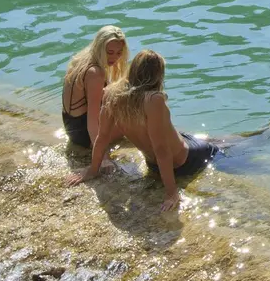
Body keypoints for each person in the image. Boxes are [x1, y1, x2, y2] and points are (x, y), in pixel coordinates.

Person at [68, 50, 218, 213]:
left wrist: (93, 169)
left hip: (154, 163)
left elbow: (102, 137)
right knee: (219, 147)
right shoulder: (154, 100)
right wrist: (171, 192)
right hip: (184, 162)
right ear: (158, 75)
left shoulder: (112, 93)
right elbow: (161, 149)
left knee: (204, 138)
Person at [61, 25, 128, 149]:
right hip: (85, 136)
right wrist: (102, 157)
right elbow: (92, 119)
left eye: (119, 52)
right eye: (110, 52)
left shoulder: (83, 58)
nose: (115, 57)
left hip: (72, 128)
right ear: (100, 48)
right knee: (136, 119)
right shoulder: (95, 73)